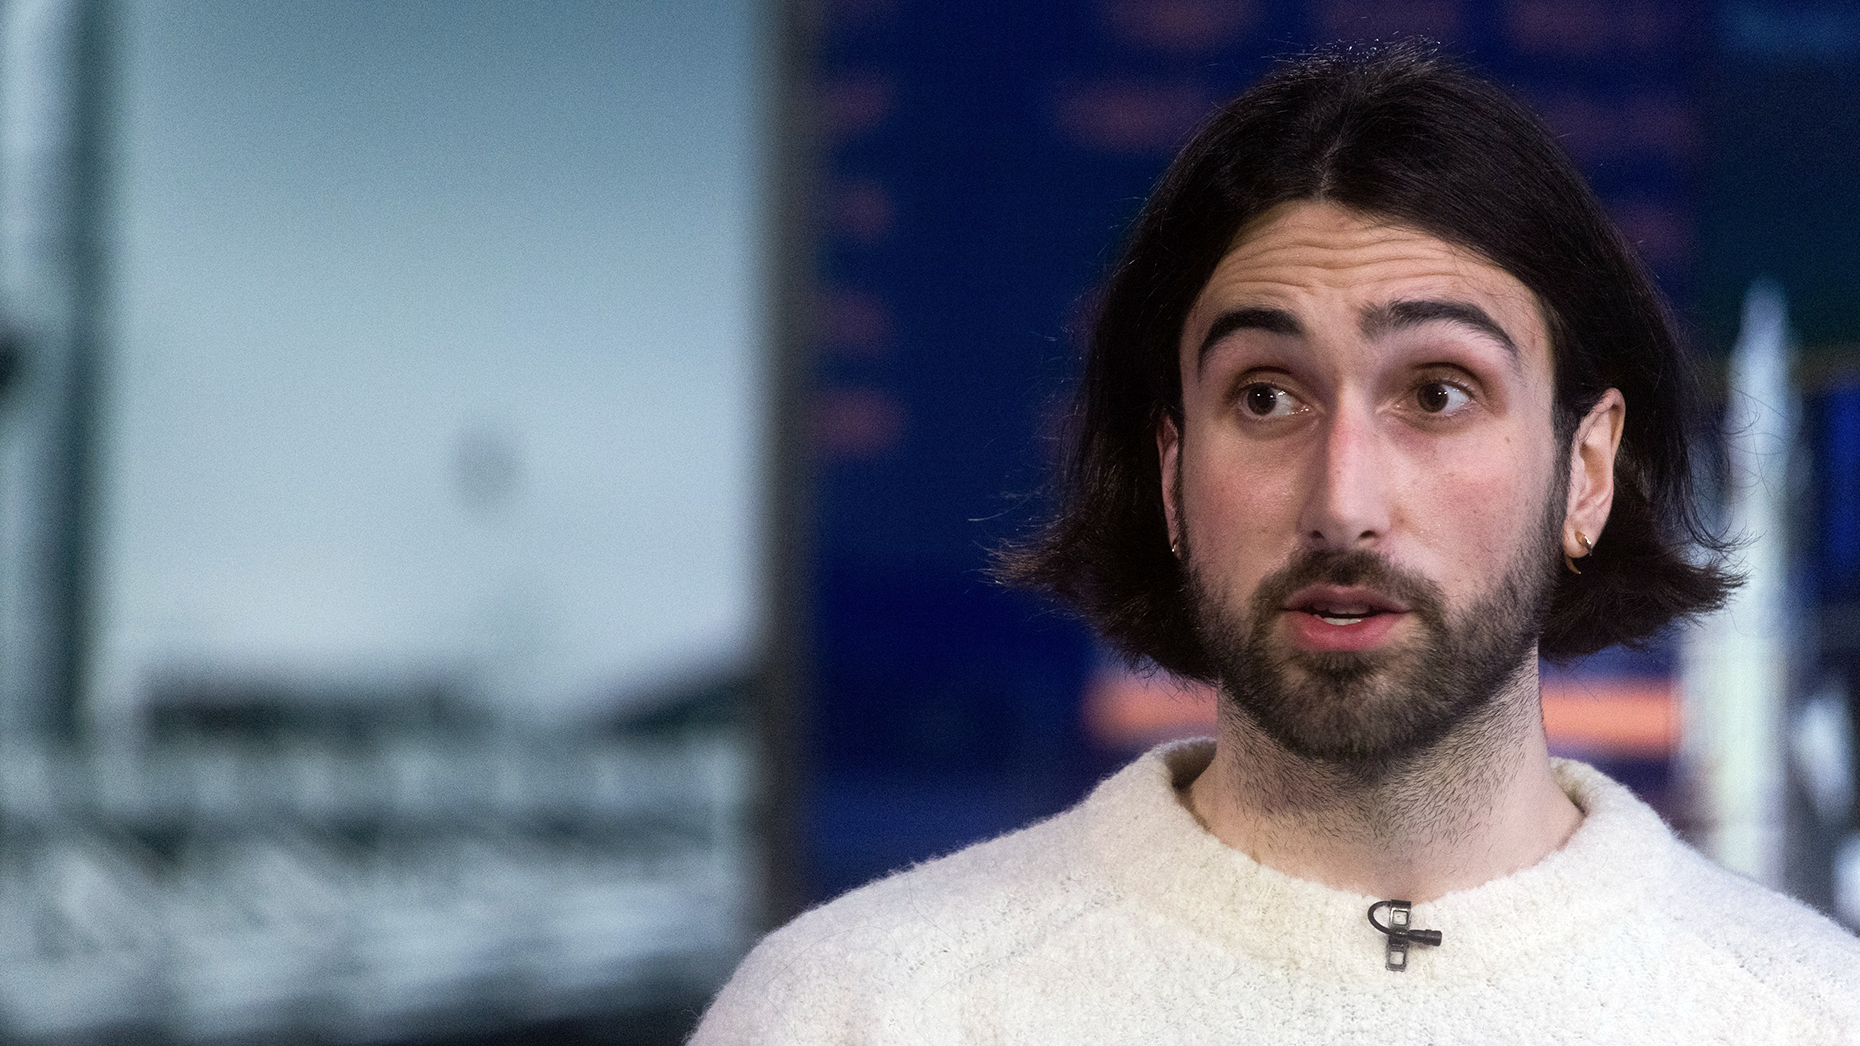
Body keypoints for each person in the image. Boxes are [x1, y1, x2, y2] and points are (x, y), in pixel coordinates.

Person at [692, 44, 1860, 1043]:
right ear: (1170, 470)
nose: (1343, 500)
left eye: (1440, 392)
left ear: (1587, 470)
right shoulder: (860, 1012)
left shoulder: (1806, 1015)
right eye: (1265, 396)